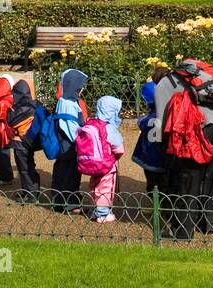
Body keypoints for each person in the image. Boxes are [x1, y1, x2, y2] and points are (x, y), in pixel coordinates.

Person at [153, 60, 213, 238]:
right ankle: (207, 224)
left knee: (187, 177)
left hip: (194, 128)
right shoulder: (209, 78)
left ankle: (182, 230)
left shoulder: (168, 82)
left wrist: (160, 144)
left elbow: (160, 119)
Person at [50, 68, 90, 213]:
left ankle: (59, 201)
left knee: (61, 171)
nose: (81, 91)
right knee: (70, 174)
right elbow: (69, 126)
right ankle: (70, 204)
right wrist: (82, 138)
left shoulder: (64, 100)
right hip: (70, 144)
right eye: (79, 88)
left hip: (64, 144)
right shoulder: (68, 103)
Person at [88, 95, 125, 223]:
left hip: (92, 162)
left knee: (95, 185)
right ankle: (103, 213)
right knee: (106, 186)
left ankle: (94, 209)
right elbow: (119, 148)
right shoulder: (108, 127)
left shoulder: (91, 123)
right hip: (107, 164)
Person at [7, 79, 42, 202]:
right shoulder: (35, 104)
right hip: (30, 140)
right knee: (27, 167)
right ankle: (28, 190)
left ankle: (32, 194)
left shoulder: (22, 108)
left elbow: (11, 121)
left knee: (25, 169)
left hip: (20, 142)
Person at [132, 72, 167, 194]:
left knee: (152, 183)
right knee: (165, 183)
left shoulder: (148, 119)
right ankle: (166, 206)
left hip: (149, 158)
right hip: (165, 159)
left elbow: (141, 123)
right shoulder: (168, 115)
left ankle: (154, 206)